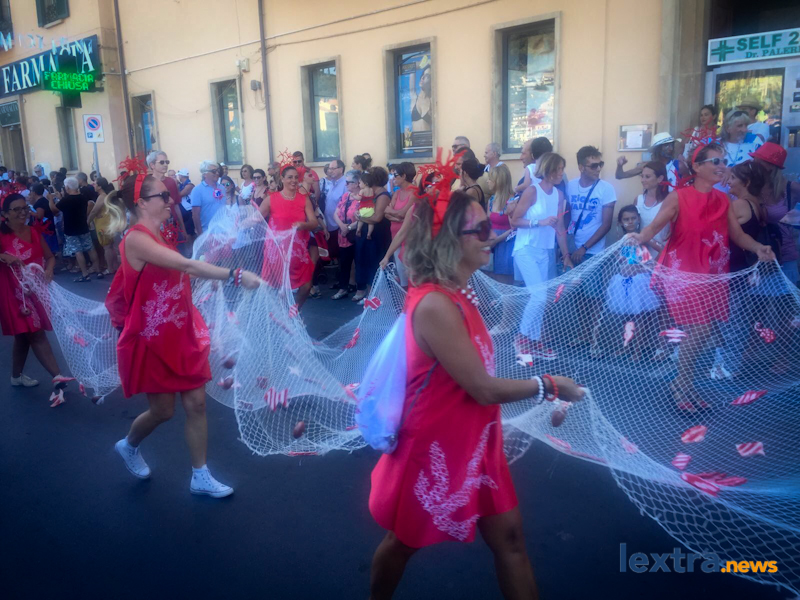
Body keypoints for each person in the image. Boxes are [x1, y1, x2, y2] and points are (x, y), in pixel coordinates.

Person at [367, 190, 584, 600]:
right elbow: (483, 388)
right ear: (450, 240)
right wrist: (550, 385)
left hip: (477, 441)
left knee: (511, 540)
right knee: (404, 541)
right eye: (481, 229)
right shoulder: (435, 304)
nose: (493, 235)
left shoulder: (459, 293)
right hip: (435, 449)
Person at [105, 170, 260, 496]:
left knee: (197, 405)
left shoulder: (160, 235)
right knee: (163, 411)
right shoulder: (136, 239)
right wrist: (234, 274)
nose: (170, 200)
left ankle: (200, 475)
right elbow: (185, 266)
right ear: (142, 203)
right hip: (153, 339)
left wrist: (208, 267)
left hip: (182, 332)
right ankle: (129, 444)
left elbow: (180, 274)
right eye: (163, 195)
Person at [628, 143, 774, 410]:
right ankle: (682, 386)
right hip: (684, 274)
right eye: (715, 161)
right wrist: (640, 237)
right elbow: (655, 226)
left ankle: (685, 384)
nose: (722, 166)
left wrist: (757, 248)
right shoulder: (679, 197)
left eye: (724, 162)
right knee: (702, 329)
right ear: (696, 167)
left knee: (702, 333)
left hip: (713, 275)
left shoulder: (723, 200)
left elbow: (737, 235)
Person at [0, 193, 71, 393]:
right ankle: (57, 376)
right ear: (5, 214)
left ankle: (16, 377)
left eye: (25, 208)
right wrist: (3, 255)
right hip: (13, 294)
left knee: (23, 336)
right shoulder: (1, 234)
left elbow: (50, 257)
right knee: (35, 331)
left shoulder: (33, 231)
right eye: (17, 209)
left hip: (36, 290)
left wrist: (49, 270)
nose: (23, 213)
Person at [511, 153, 572, 360]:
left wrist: (566, 255)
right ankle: (521, 339)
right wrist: (540, 222)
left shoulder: (559, 195)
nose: (561, 173)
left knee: (541, 298)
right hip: (526, 249)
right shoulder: (532, 191)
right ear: (547, 169)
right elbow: (515, 221)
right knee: (539, 296)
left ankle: (534, 341)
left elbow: (560, 228)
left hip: (545, 251)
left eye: (562, 168)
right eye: (558, 169)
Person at [566, 146, 616, 346]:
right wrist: (567, 248)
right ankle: (583, 334)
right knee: (578, 295)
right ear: (581, 167)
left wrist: (585, 248)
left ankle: (595, 339)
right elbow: (566, 216)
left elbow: (606, 224)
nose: (598, 169)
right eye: (593, 165)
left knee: (594, 296)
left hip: (592, 251)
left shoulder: (606, 189)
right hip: (573, 250)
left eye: (600, 164)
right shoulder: (570, 186)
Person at [598, 205, 661, 361]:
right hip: (623, 282)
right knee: (625, 316)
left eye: (633, 218)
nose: (630, 222)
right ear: (620, 222)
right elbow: (623, 259)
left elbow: (660, 249)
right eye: (626, 219)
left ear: (638, 219)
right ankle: (625, 347)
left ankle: (637, 350)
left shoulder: (643, 237)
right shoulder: (622, 240)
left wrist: (651, 264)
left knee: (639, 317)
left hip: (639, 282)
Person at [259, 166, 317, 309]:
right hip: (278, 252)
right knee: (280, 289)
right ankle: (283, 314)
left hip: (298, 252)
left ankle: (295, 310)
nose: (294, 180)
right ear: (282, 179)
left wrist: (303, 225)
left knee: (306, 286)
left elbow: (314, 222)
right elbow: (256, 219)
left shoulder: (304, 199)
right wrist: (238, 223)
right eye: (290, 177)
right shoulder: (271, 199)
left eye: (296, 177)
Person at [751, 143, 800, 286]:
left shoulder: (791, 188)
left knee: (786, 300)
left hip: (785, 256)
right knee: (758, 300)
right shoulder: (751, 187)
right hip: (757, 256)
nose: (753, 164)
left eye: (757, 161)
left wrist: (796, 218)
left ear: (770, 166)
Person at [49, 176, 100, 282]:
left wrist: (50, 200)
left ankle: (85, 274)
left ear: (67, 187)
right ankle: (98, 270)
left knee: (78, 251)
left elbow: (54, 210)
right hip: (83, 226)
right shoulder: (82, 197)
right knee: (90, 248)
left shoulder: (66, 200)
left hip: (71, 229)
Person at [353, 167, 391, 302]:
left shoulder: (383, 195)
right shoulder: (371, 193)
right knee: (366, 264)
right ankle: (370, 296)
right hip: (367, 234)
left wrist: (360, 217)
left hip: (378, 236)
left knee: (375, 265)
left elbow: (377, 218)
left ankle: (379, 298)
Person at [384, 162, 417, 287]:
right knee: (401, 274)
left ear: (404, 176)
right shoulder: (397, 193)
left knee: (410, 276)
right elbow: (386, 213)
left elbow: (403, 213)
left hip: (409, 240)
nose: (393, 178)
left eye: (395, 175)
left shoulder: (414, 192)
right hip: (396, 238)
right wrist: (399, 217)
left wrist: (397, 214)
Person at [148, 151, 188, 246]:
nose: (165, 164)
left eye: (167, 162)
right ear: (152, 165)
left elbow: (176, 206)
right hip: (157, 227)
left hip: (173, 225)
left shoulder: (171, 182)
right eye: (162, 162)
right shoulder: (147, 184)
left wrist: (183, 229)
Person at [332, 171, 361, 299]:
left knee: (359, 262)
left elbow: (363, 217)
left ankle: (360, 289)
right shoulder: (345, 196)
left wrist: (348, 227)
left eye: (349, 182)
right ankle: (343, 288)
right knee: (344, 263)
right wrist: (342, 226)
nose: (346, 184)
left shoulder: (362, 198)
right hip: (343, 235)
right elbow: (335, 213)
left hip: (356, 234)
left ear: (357, 183)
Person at [485, 164, 515, 284]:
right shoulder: (491, 200)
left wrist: (496, 240)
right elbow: (487, 223)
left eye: (490, 178)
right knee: (491, 283)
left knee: (504, 283)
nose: (487, 181)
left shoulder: (512, 201)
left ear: (498, 181)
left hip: (506, 244)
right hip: (492, 244)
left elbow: (514, 229)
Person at [616, 132, 682, 187]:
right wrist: (619, 165)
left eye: (672, 145)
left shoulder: (679, 165)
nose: (671, 149)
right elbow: (620, 175)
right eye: (666, 145)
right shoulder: (647, 166)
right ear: (657, 148)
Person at [634, 162, 670, 256]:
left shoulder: (669, 201)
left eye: (647, 177)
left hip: (663, 254)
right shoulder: (638, 200)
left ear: (660, 178)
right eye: (642, 176)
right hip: (642, 255)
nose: (643, 180)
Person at [87, 177, 120, 275]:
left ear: (100, 186)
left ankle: (110, 268)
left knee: (107, 247)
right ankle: (114, 266)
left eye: (95, 183)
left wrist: (88, 221)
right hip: (107, 222)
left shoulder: (102, 196)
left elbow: (94, 211)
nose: (93, 185)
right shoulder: (107, 195)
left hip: (103, 224)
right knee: (111, 247)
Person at [322, 159, 347, 269]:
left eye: (333, 168)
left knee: (341, 257)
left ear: (341, 169)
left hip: (339, 226)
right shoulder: (332, 183)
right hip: (330, 225)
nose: (329, 171)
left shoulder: (345, 184)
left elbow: (346, 206)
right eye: (329, 168)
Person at [190, 161, 225, 236]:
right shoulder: (197, 190)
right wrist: (200, 235)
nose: (217, 173)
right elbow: (195, 215)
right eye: (214, 171)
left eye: (217, 171)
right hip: (208, 233)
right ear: (205, 174)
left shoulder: (222, 188)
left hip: (224, 231)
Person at [30, 183, 58, 256]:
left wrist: (30, 212)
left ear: (34, 192)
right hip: (49, 226)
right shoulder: (44, 200)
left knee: (48, 246)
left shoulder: (39, 203)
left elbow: (40, 216)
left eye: (31, 191)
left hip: (45, 228)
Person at [355, 171, 376, 241]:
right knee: (371, 222)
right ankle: (369, 234)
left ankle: (358, 229)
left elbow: (359, 198)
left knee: (361, 220)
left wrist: (354, 196)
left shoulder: (362, 191)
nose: (359, 184)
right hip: (371, 209)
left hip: (363, 209)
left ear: (366, 183)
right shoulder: (372, 190)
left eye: (360, 183)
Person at [176, 168, 196, 242]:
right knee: (187, 232)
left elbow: (180, 194)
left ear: (181, 176)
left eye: (179, 175)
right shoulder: (182, 185)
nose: (178, 177)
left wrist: (175, 187)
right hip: (185, 211)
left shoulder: (189, 185)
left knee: (189, 233)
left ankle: (191, 248)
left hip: (189, 211)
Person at [411, 66, 432, 134]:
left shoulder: (432, 101)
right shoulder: (414, 97)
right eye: (422, 75)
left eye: (427, 76)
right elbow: (411, 70)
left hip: (428, 139)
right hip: (415, 140)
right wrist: (424, 63)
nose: (422, 78)